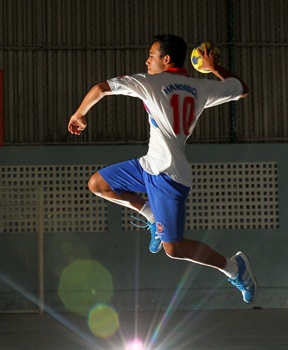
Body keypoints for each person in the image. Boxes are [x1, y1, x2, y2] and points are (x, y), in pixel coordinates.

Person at [68, 34, 257, 303]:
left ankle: (235, 268)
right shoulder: (199, 87)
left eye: (152, 55)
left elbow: (100, 89)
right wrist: (212, 65)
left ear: (166, 60)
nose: (147, 61)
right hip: (149, 166)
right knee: (98, 184)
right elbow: (240, 88)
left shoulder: (150, 83)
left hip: (169, 175)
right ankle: (151, 215)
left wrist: (79, 114)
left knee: (174, 248)